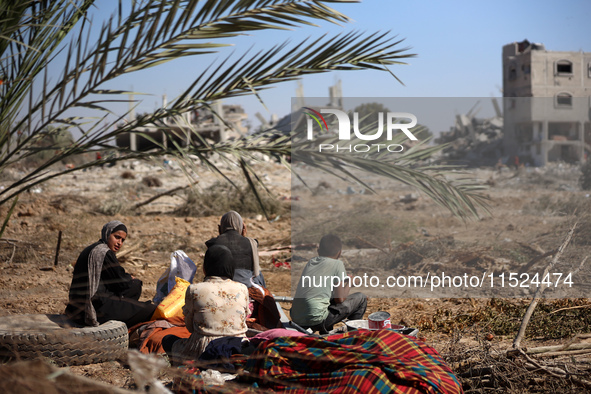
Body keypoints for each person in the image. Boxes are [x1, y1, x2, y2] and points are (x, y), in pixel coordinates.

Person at [165, 245, 250, 364]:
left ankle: (180, 370)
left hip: (204, 350)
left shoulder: (195, 289)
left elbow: (190, 327)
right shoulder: (242, 288)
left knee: (168, 340)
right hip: (237, 349)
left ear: (205, 267)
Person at [65, 220, 156, 328]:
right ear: (107, 234)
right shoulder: (104, 252)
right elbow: (121, 283)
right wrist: (128, 278)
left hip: (77, 307)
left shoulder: (94, 248)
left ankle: (123, 314)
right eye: (117, 237)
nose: (119, 243)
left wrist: (128, 279)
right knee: (150, 309)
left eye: (122, 240)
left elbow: (116, 277)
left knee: (135, 285)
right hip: (94, 308)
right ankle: (120, 321)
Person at [290, 234, 367, 334]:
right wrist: (350, 282)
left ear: (318, 251)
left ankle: (326, 334)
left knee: (326, 302)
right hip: (317, 320)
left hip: (297, 319)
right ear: (339, 253)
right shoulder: (338, 264)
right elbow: (340, 299)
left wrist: (345, 281)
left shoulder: (311, 262)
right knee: (361, 298)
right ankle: (352, 335)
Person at [205, 211, 265, 288]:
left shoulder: (213, 243)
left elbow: (207, 271)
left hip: (220, 285)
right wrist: (244, 237)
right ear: (243, 227)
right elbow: (256, 272)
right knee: (259, 276)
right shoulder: (252, 243)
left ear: (219, 228)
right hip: (246, 286)